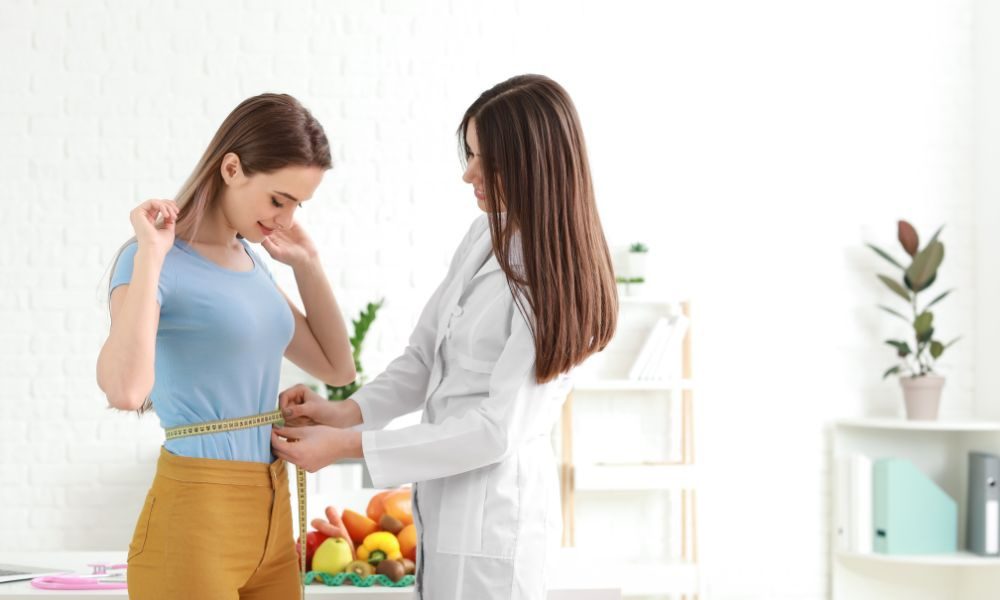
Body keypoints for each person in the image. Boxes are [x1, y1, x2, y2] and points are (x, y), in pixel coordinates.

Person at [271, 74, 618, 600]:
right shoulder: (484, 236)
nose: (467, 173)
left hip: (497, 525)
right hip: (444, 505)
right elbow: (423, 357)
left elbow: (494, 431)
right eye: (470, 153)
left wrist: (347, 447)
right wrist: (347, 413)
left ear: (532, 164)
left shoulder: (555, 280)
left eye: (485, 159)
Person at [96, 93, 356, 599]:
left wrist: (308, 263)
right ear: (231, 168)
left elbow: (336, 366)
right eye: (278, 200)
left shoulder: (251, 260)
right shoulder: (151, 260)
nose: (284, 219)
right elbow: (126, 391)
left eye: (297, 206)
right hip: (196, 510)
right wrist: (151, 254)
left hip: (273, 508)